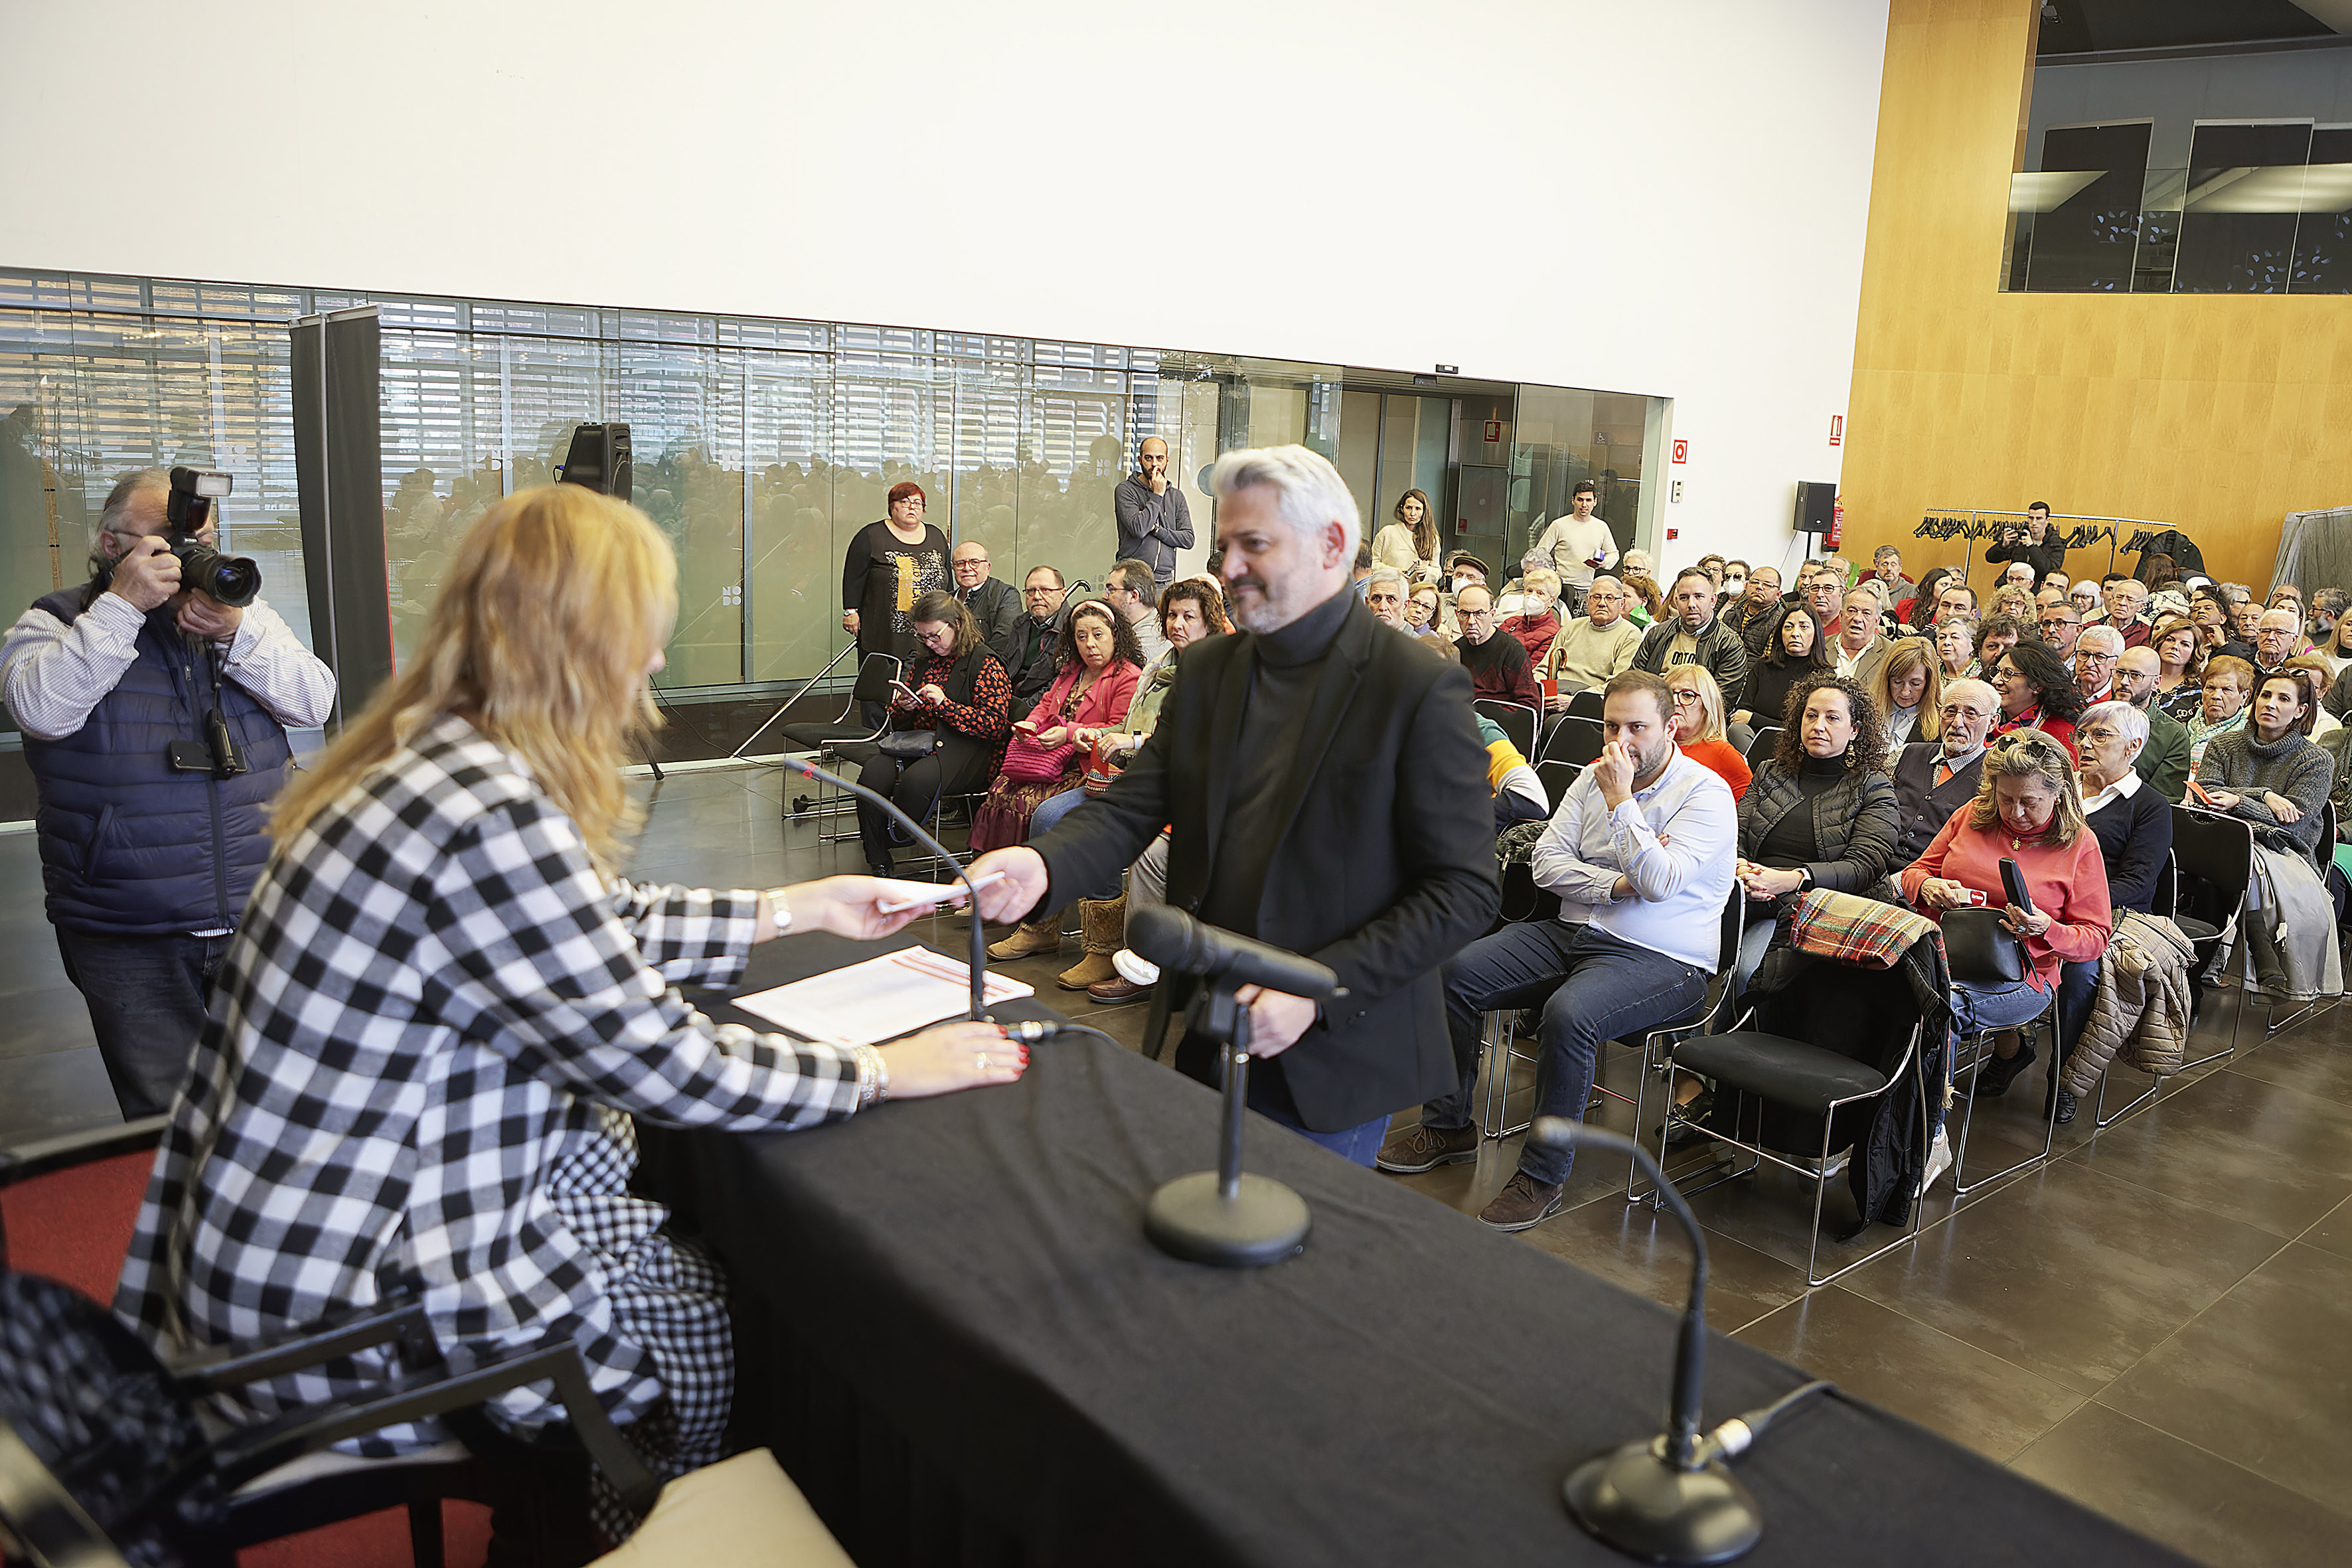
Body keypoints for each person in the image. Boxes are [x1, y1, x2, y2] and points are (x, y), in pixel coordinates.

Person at [115, 485, 1019, 1543]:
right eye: (638, 644)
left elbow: (580, 922)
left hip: (278, 1250)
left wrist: (789, 907)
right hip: (350, 1300)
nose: (647, 672)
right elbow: (664, 1061)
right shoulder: (491, 808)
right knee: (701, 1313)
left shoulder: (425, 760)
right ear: (576, 645)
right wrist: (890, 1070)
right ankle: (603, 1531)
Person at [970, 444, 1498, 1167]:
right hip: (1215, 1020)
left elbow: (1462, 891)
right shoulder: (1212, 669)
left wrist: (1316, 994)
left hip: (1338, 1043)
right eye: (1225, 548)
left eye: (1256, 545)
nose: (1229, 568)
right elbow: (1134, 805)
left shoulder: (1415, 687)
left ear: (1332, 546)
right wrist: (1040, 864)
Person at [1, 467, 337, 1118]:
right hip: (128, 926)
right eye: (162, 539)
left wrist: (240, 632)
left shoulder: (240, 616)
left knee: (283, 1107)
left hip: (260, 910)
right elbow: (41, 708)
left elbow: (314, 701)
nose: (185, 554)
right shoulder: (54, 621)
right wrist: (122, 609)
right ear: (108, 544)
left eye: (198, 537)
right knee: (165, 1120)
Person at [1375, 670, 1735, 1229]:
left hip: (1662, 956)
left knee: (1568, 1014)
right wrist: (1617, 883)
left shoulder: (1704, 795)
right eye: (1611, 726)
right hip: (1573, 932)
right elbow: (1545, 863)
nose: (1620, 741)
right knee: (1448, 972)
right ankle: (1449, 1128)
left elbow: (1661, 884)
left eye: (1637, 727)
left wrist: (1622, 806)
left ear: (1671, 727)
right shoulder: (1589, 780)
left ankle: (1541, 1177)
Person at [1902, 730, 2112, 1107]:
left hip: (2024, 975)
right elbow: (1916, 871)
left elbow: (2094, 937)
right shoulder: (1971, 816)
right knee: (1884, 996)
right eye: (2005, 799)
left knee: (1936, 1010)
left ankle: (1923, 1136)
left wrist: (2048, 928)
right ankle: (1880, 1124)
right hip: (1946, 955)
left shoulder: (2080, 845)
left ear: (2059, 794)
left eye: (2029, 802)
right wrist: (1928, 888)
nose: (2015, 813)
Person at [1084, 580, 1233, 1002]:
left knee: (1147, 852)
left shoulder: (1224, 671)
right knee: (1062, 817)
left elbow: (1197, 749)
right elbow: (1142, 731)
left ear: (1211, 622)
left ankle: (1145, 962)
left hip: (1204, 805)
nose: (1178, 624)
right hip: (1150, 781)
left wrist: (1131, 744)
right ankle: (1108, 950)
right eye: (1172, 615)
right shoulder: (1162, 663)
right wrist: (1093, 735)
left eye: (1190, 617)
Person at [1731, 674, 1899, 991]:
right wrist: (1740, 868)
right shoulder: (1770, 771)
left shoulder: (1873, 787)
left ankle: (1735, 1037)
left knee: (1746, 973)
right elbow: (1734, 831)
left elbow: (1864, 866)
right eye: (1811, 715)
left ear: (1855, 731)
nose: (1819, 725)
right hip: (1746, 890)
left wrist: (1790, 879)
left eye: (1832, 718)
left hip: (1814, 903)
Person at [971, 598, 1143, 907]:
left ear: (1115, 635)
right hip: (1052, 762)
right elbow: (1045, 705)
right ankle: (997, 888)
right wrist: (1030, 723)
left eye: (1098, 635)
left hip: (1088, 769)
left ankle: (1034, 903)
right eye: (1081, 636)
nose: (1089, 644)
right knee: (1001, 792)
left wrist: (1069, 732)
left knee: (1036, 807)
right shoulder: (1071, 671)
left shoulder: (1127, 676)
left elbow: (1119, 728)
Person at [2053, 702, 2171, 1121]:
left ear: (2134, 747)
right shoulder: (2057, 788)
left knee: (2081, 971)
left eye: (2101, 736)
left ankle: (2063, 1077)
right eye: (2082, 734)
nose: (2085, 744)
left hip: (2112, 915)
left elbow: (2140, 883)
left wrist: (2073, 904)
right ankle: (2011, 1047)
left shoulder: (2150, 807)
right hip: (2042, 904)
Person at [856, 590, 1012, 876]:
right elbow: (904, 722)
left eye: (934, 636)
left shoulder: (985, 663)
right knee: (872, 774)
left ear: (958, 625)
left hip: (968, 750)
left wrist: (945, 705)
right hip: (920, 743)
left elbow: (994, 726)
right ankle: (877, 854)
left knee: (917, 781)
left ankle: (897, 837)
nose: (929, 643)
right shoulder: (926, 660)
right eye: (922, 637)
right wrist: (904, 707)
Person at [2197, 667, 2335, 864]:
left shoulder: (2317, 760)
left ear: (2300, 710)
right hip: (2218, 843)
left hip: (2283, 857)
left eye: (2284, 699)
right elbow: (2206, 795)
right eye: (2266, 695)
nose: (2270, 704)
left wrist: (2237, 802)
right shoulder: (2222, 744)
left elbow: (2292, 824)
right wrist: (2264, 796)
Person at [841, 481, 949, 725]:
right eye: (905, 502)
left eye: (918, 503)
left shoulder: (935, 535)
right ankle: (876, 738)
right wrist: (851, 610)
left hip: (928, 633)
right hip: (883, 631)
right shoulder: (871, 536)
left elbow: (947, 581)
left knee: (922, 685)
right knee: (881, 687)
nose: (912, 508)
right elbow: (853, 576)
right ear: (892, 507)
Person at [1887, 677, 1996, 866]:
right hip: (1874, 862)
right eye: (1950, 711)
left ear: (1993, 722)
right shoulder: (1905, 753)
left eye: (1971, 714)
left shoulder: (1994, 779)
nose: (1957, 723)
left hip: (1931, 879)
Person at [1633, 567, 1751, 704]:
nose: (1691, 604)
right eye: (1684, 598)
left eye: (1699, 597)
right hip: (1653, 708)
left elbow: (1722, 702)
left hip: (1699, 717)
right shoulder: (1657, 634)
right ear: (1676, 601)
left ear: (1713, 600)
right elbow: (1635, 680)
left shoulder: (1729, 644)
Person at [1537, 573, 1641, 704]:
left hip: (1591, 701)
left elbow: (1617, 686)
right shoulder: (1572, 626)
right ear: (1587, 600)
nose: (1602, 603)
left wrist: (1575, 701)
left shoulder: (1630, 635)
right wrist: (1548, 695)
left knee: (1554, 723)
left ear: (1622, 603)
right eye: (1596, 597)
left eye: (1610, 598)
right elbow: (1544, 669)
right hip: (1556, 692)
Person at [1733, 604, 1831, 732]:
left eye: (1804, 627)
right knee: (1737, 730)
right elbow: (1742, 714)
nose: (1795, 634)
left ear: (1816, 633)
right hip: (1754, 740)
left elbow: (1809, 727)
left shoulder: (1824, 676)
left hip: (1799, 745)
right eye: (1789, 627)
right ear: (1781, 633)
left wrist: (1755, 719)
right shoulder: (1763, 666)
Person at [1113, 435, 1194, 588]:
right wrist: (1157, 495)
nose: (1154, 464)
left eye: (1160, 458)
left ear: (1167, 461)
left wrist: (1157, 530)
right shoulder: (1125, 490)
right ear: (1140, 459)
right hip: (1131, 579)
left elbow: (1188, 539)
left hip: (1164, 581)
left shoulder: (1176, 496)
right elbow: (1139, 528)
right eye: (1149, 458)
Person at [2113, 646, 2193, 801]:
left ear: (2156, 682)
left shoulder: (2172, 734)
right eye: (2120, 673)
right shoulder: (2093, 718)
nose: (2124, 682)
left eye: (2136, 675)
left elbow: (2163, 800)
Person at [1666, 665, 1751, 800]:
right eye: (1669, 694)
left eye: (1687, 695)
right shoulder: (1648, 746)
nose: (1675, 701)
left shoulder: (1724, 755)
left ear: (1707, 706)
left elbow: (1747, 811)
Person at [1531, 479, 1617, 605]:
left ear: (1595, 502)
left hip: (1589, 589)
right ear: (1573, 501)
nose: (1584, 504)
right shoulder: (1559, 525)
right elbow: (1540, 553)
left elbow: (1614, 554)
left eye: (1588, 500)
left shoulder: (1601, 527)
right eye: (1580, 500)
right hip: (1561, 587)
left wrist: (1604, 563)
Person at [1454, 583, 1541, 706]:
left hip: (1498, 722)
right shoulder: (1455, 650)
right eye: (1464, 613)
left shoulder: (1511, 650)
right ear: (1456, 614)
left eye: (1479, 613)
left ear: (1492, 614)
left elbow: (1530, 705)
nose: (1471, 621)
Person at [1001, 564, 1070, 719]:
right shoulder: (1021, 623)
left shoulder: (1072, 628)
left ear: (1063, 594)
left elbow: (1060, 683)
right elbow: (1005, 665)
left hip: (1040, 710)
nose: (1037, 597)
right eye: (1031, 591)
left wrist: (1024, 707)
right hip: (1009, 701)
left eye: (1045, 590)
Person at [1989, 639, 2084, 749]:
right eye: (1997, 672)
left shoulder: (2058, 736)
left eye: (2008, 674)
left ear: (2037, 685)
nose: (1995, 681)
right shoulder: (1983, 718)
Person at [949, 540, 1021, 662]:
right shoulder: (946, 601)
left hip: (985, 670)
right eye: (960, 563)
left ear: (988, 568)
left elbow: (1003, 642)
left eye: (974, 562)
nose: (967, 568)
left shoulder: (1005, 595)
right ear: (953, 569)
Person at [2187, 654, 2256, 774]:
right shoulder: (2185, 726)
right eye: (2211, 688)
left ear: (2244, 697)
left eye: (2227, 690)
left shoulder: (2248, 739)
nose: (2216, 696)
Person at [1870, 638, 1943, 749]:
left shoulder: (1942, 724)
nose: (1905, 692)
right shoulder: (1868, 712)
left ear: (1929, 683)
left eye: (1915, 683)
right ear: (1886, 679)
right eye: (1897, 682)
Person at [1370, 487, 1443, 586]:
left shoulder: (1432, 539)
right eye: (1408, 508)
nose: (1413, 513)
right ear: (1402, 509)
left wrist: (1426, 572)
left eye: (1418, 509)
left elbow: (1437, 571)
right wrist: (1394, 572)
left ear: (1424, 512)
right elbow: (1372, 564)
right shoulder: (1387, 533)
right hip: (1390, 589)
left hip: (1417, 594)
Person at [1105, 556, 1170, 665]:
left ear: (1134, 596)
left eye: (1111, 590)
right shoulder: (1134, 629)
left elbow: (1118, 673)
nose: (1105, 596)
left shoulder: (1153, 637)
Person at [1986, 500, 2065, 587]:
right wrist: (2003, 546)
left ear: (2047, 520)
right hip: (2010, 586)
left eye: (2039, 518)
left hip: (2034, 590)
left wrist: (2031, 547)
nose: (2034, 523)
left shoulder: (2056, 544)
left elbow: (2048, 571)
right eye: (2031, 518)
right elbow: (1991, 558)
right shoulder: (2020, 536)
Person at [1498, 566, 1565, 665]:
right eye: (1529, 591)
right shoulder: (1511, 622)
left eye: (1540, 593)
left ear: (1551, 601)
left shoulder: (1552, 635)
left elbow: (1530, 671)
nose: (1532, 596)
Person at [2149, 613, 2207, 718]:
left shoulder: (2200, 691)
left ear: (2193, 652)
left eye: (2185, 644)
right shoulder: (2140, 676)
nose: (2175, 647)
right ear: (2160, 642)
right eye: (2170, 640)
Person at [1832, 586, 1890, 684]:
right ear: (1841, 616)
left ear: (1877, 622)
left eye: (1866, 613)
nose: (1857, 619)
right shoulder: (1821, 646)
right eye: (1852, 611)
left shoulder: (1891, 653)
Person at [1727, 564, 1784, 654]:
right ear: (1746, 586)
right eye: (1754, 582)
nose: (1759, 587)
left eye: (1767, 585)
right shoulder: (1733, 612)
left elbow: (1768, 661)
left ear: (1778, 595)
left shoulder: (1781, 621)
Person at [2073, 623, 2124, 703]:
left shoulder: (2120, 700)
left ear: (2116, 663)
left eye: (2100, 657)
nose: (2089, 664)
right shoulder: (2059, 690)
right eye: (2084, 655)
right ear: (2076, 656)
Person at [2252, 607, 2302, 681]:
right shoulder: (2242, 663)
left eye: (2280, 633)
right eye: (2265, 631)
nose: (2270, 637)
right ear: (2258, 635)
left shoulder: (2297, 671)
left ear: (2293, 640)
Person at [2037, 593, 2084, 668]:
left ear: (2078, 630)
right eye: (2047, 624)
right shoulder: (2033, 661)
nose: (2051, 630)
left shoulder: (2086, 663)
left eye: (2060, 624)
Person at [1934, 616, 1977, 680]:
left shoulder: (1981, 674)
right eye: (1942, 637)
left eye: (1955, 637)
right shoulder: (1932, 670)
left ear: (1972, 644)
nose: (1946, 642)